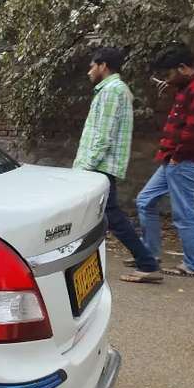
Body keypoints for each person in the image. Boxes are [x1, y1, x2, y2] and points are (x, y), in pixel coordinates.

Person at [73, 47, 162, 283]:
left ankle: (147, 263)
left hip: (99, 166)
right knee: (98, 215)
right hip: (100, 165)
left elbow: (104, 134)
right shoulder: (112, 90)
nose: (90, 71)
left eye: (93, 65)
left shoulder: (112, 91)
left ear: (103, 66)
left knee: (111, 215)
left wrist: (85, 166)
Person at [134, 43, 194, 278]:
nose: (166, 78)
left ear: (183, 67)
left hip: (185, 160)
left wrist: (178, 156)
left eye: (169, 74)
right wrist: (173, 86)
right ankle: (150, 255)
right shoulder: (186, 87)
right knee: (145, 201)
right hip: (172, 159)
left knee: (185, 213)